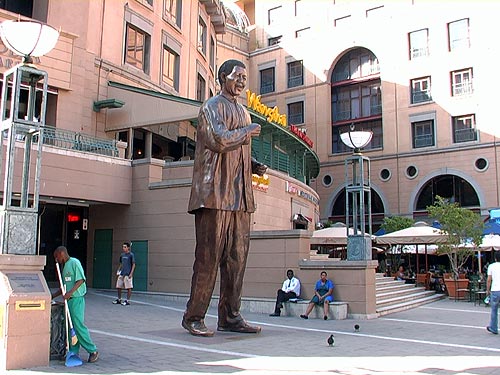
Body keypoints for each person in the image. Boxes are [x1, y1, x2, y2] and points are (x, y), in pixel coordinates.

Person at [181, 59, 267, 337]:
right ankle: (193, 317)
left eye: (245, 77)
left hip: (240, 197)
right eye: (237, 76)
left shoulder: (243, 111)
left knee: (236, 260)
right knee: (208, 258)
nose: (242, 81)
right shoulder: (210, 107)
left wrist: (253, 164)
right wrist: (246, 133)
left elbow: (236, 149)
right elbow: (218, 140)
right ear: (222, 78)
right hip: (214, 195)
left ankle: (230, 316)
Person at [52, 246, 99, 363]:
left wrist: (70, 293)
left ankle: (93, 350)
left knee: (78, 326)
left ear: (62, 253)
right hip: (69, 300)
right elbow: (63, 287)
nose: (56, 260)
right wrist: (53, 296)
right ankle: (73, 352)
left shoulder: (74, 263)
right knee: (70, 328)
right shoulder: (64, 267)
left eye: (56, 257)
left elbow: (81, 280)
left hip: (76, 299)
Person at [486, 251, 500, 334]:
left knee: (494, 310)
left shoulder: (491, 266)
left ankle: (494, 327)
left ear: (495, 258)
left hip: (495, 290)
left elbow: (489, 280)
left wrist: (487, 290)